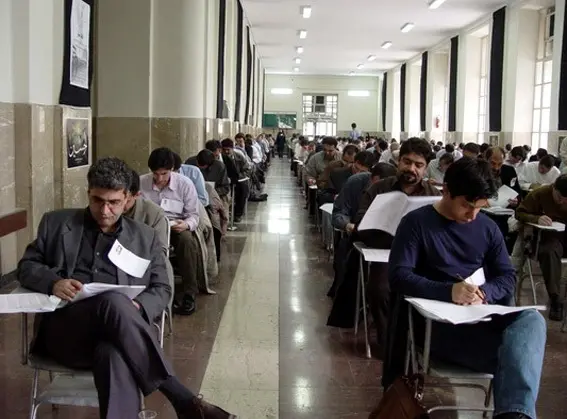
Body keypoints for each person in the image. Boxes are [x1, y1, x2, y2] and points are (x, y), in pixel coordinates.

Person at [18, 157, 236, 419]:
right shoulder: (56, 224)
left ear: (129, 199)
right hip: (66, 333)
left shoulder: (144, 236)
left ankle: (185, 405)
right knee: (112, 302)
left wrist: (138, 307)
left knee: (113, 352)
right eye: (98, 200)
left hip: (123, 338)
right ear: (88, 193)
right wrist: (53, 282)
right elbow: (27, 266)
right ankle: (184, 400)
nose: (105, 210)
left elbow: (162, 288)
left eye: (114, 202)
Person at [386, 157, 546, 419]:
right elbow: (399, 276)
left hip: (481, 322)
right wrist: (448, 291)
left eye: (479, 208)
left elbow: (507, 276)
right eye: (466, 206)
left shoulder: (487, 227)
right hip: (438, 330)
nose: (472, 216)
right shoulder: (416, 224)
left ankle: (514, 415)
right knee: (518, 356)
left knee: (532, 320)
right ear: (446, 191)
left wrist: (485, 293)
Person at [140, 148, 201, 316]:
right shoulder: (141, 183)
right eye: (155, 174)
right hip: (150, 226)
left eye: (164, 174)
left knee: (187, 241)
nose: (159, 179)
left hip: (176, 226)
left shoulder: (184, 184)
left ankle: (189, 292)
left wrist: (186, 224)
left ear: (172, 169)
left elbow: (194, 215)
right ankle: (149, 289)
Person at [516, 175, 567, 320]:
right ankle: (555, 299)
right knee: (550, 251)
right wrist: (536, 218)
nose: (562, 202)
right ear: (554, 187)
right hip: (547, 238)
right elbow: (519, 212)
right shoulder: (539, 194)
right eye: (560, 197)